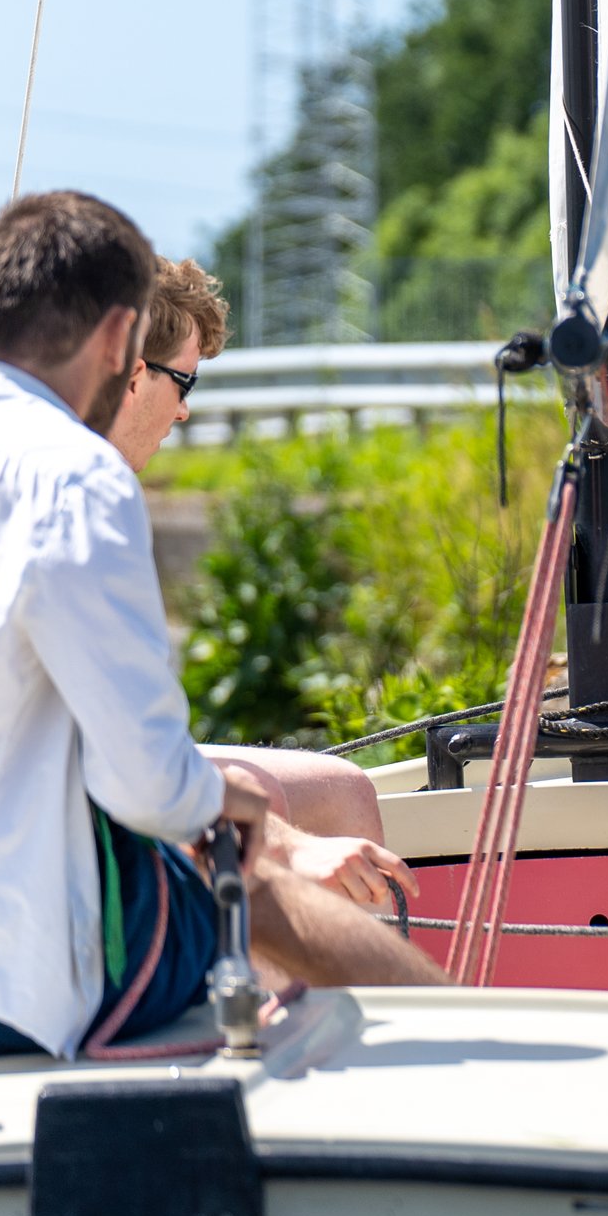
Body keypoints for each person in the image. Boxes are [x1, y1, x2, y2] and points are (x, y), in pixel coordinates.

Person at [0, 192, 443, 1064]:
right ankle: (432, 1033)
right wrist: (244, 811)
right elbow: (149, 787)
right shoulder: (75, 474)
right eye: (182, 385)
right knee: (245, 879)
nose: (181, 412)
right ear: (120, 339)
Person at [110, 256, 385, 839]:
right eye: (184, 382)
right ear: (135, 376)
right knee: (276, 803)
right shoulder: (92, 484)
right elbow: (129, 745)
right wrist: (282, 844)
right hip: (47, 788)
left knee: (342, 789)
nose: (184, 410)